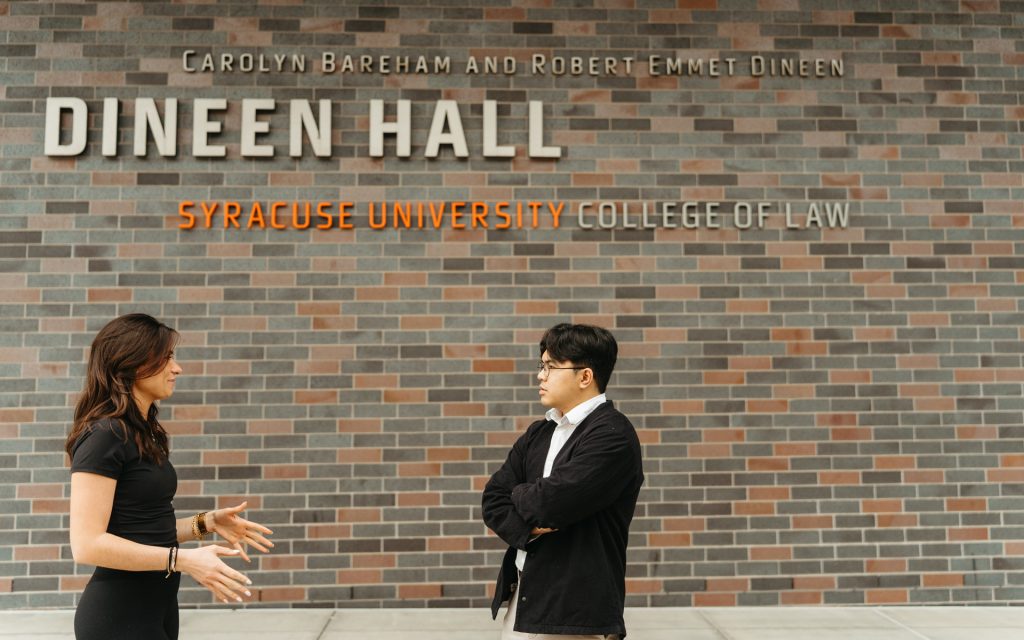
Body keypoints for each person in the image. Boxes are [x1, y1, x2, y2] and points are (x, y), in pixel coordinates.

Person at [66, 313, 274, 640]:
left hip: (157, 610)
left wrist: (206, 523)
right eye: (166, 358)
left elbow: (142, 529)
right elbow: (86, 544)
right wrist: (184, 561)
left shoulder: (140, 433)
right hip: (118, 619)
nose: (176, 368)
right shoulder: (103, 436)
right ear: (132, 364)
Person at [482, 323, 644, 640]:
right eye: (541, 366)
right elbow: (492, 500)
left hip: (576, 607)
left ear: (585, 376)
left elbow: (550, 503)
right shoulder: (539, 433)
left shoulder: (612, 436)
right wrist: (528, 519)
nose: (540, 376)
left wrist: (521, 495)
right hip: (524, 595)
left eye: (550, 367)